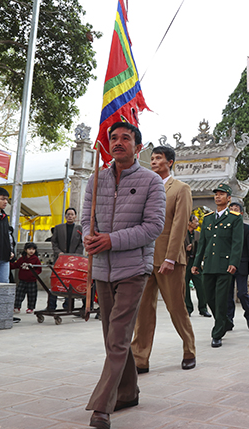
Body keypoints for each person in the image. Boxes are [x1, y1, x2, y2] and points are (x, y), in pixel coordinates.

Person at [83, 122, 166, 429]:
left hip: (133, 268)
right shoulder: (95, 180)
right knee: (112, 336)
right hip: (102, 269)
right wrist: (90, 237)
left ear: (138, 146)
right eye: (113, 138)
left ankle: (102, 406)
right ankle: (129, 392)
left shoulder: (151, 182)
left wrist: (112, 240)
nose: (118, 142)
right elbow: (85, 219)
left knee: (118, 336)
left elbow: (153, 227)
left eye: (126, 138)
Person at [131, 145, 197, 373]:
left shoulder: (180, 188)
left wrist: (170, 258)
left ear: (170, 162)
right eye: (153, 158)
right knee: (143, 310)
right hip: (144, 258)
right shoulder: (145, 187)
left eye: (159, 158)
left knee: (176, 307)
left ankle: (189, 349)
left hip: (169, 260)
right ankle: (139, 358)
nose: (154, 162)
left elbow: (180, 225)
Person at [193, 184, 243, 347]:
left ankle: (217, 332)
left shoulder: (234, 218)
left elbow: (237, 243)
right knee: (209, 297)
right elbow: (202, 244)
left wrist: (233, 263)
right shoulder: (207, 218)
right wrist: (196, 263)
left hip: (224, 265)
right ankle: (226, 321)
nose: (217, 197)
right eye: (216, 194)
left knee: (221, 299)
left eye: (222, 194)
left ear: (229, 198)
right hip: (209, 264)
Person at [226, 202, 249, 331]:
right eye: (231, 210)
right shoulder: (225, 228)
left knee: (242, 293)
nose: (233, 211)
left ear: (241, 213)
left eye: (236, 210)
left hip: (242, 265)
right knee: (227, 294)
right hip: (227, 266)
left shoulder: (247, 229)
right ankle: (228, 320)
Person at [47, 207, 84, 311]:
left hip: (73, 261)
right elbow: (54, 242)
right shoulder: (58, 228)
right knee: (55, 281)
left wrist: (75, 255)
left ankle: (68, 305)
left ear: (75, 216)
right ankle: (51, 306)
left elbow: (81, 244)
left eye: (72, 214)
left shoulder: (79, 229)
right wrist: (59, 253)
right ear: (65, 216)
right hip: (59, 260)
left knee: (70, 282)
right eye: (68, 214)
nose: (70, 216)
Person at [184, 214, 211, 317]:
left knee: (201, 286)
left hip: (196, 263)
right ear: (189, 222)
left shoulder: (198, 234)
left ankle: (203, 308)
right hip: (186, 263)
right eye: (195, 221)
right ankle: (188, 308)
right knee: (185, 287)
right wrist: (185, 249)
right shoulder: (182, 234)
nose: (197, 223)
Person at [11, 242, 42, 314]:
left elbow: (39, 269)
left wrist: (33, 275)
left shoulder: (36, 259)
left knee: (32, 295)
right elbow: (15, 265)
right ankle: (17, 307)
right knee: (19, 294)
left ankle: (30, 308)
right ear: (25, 250)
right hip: (22, 280)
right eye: (29, 249)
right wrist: (7, 265)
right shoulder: (22, 259)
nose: (31, 251)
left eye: (33, 249)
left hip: (32, 281)